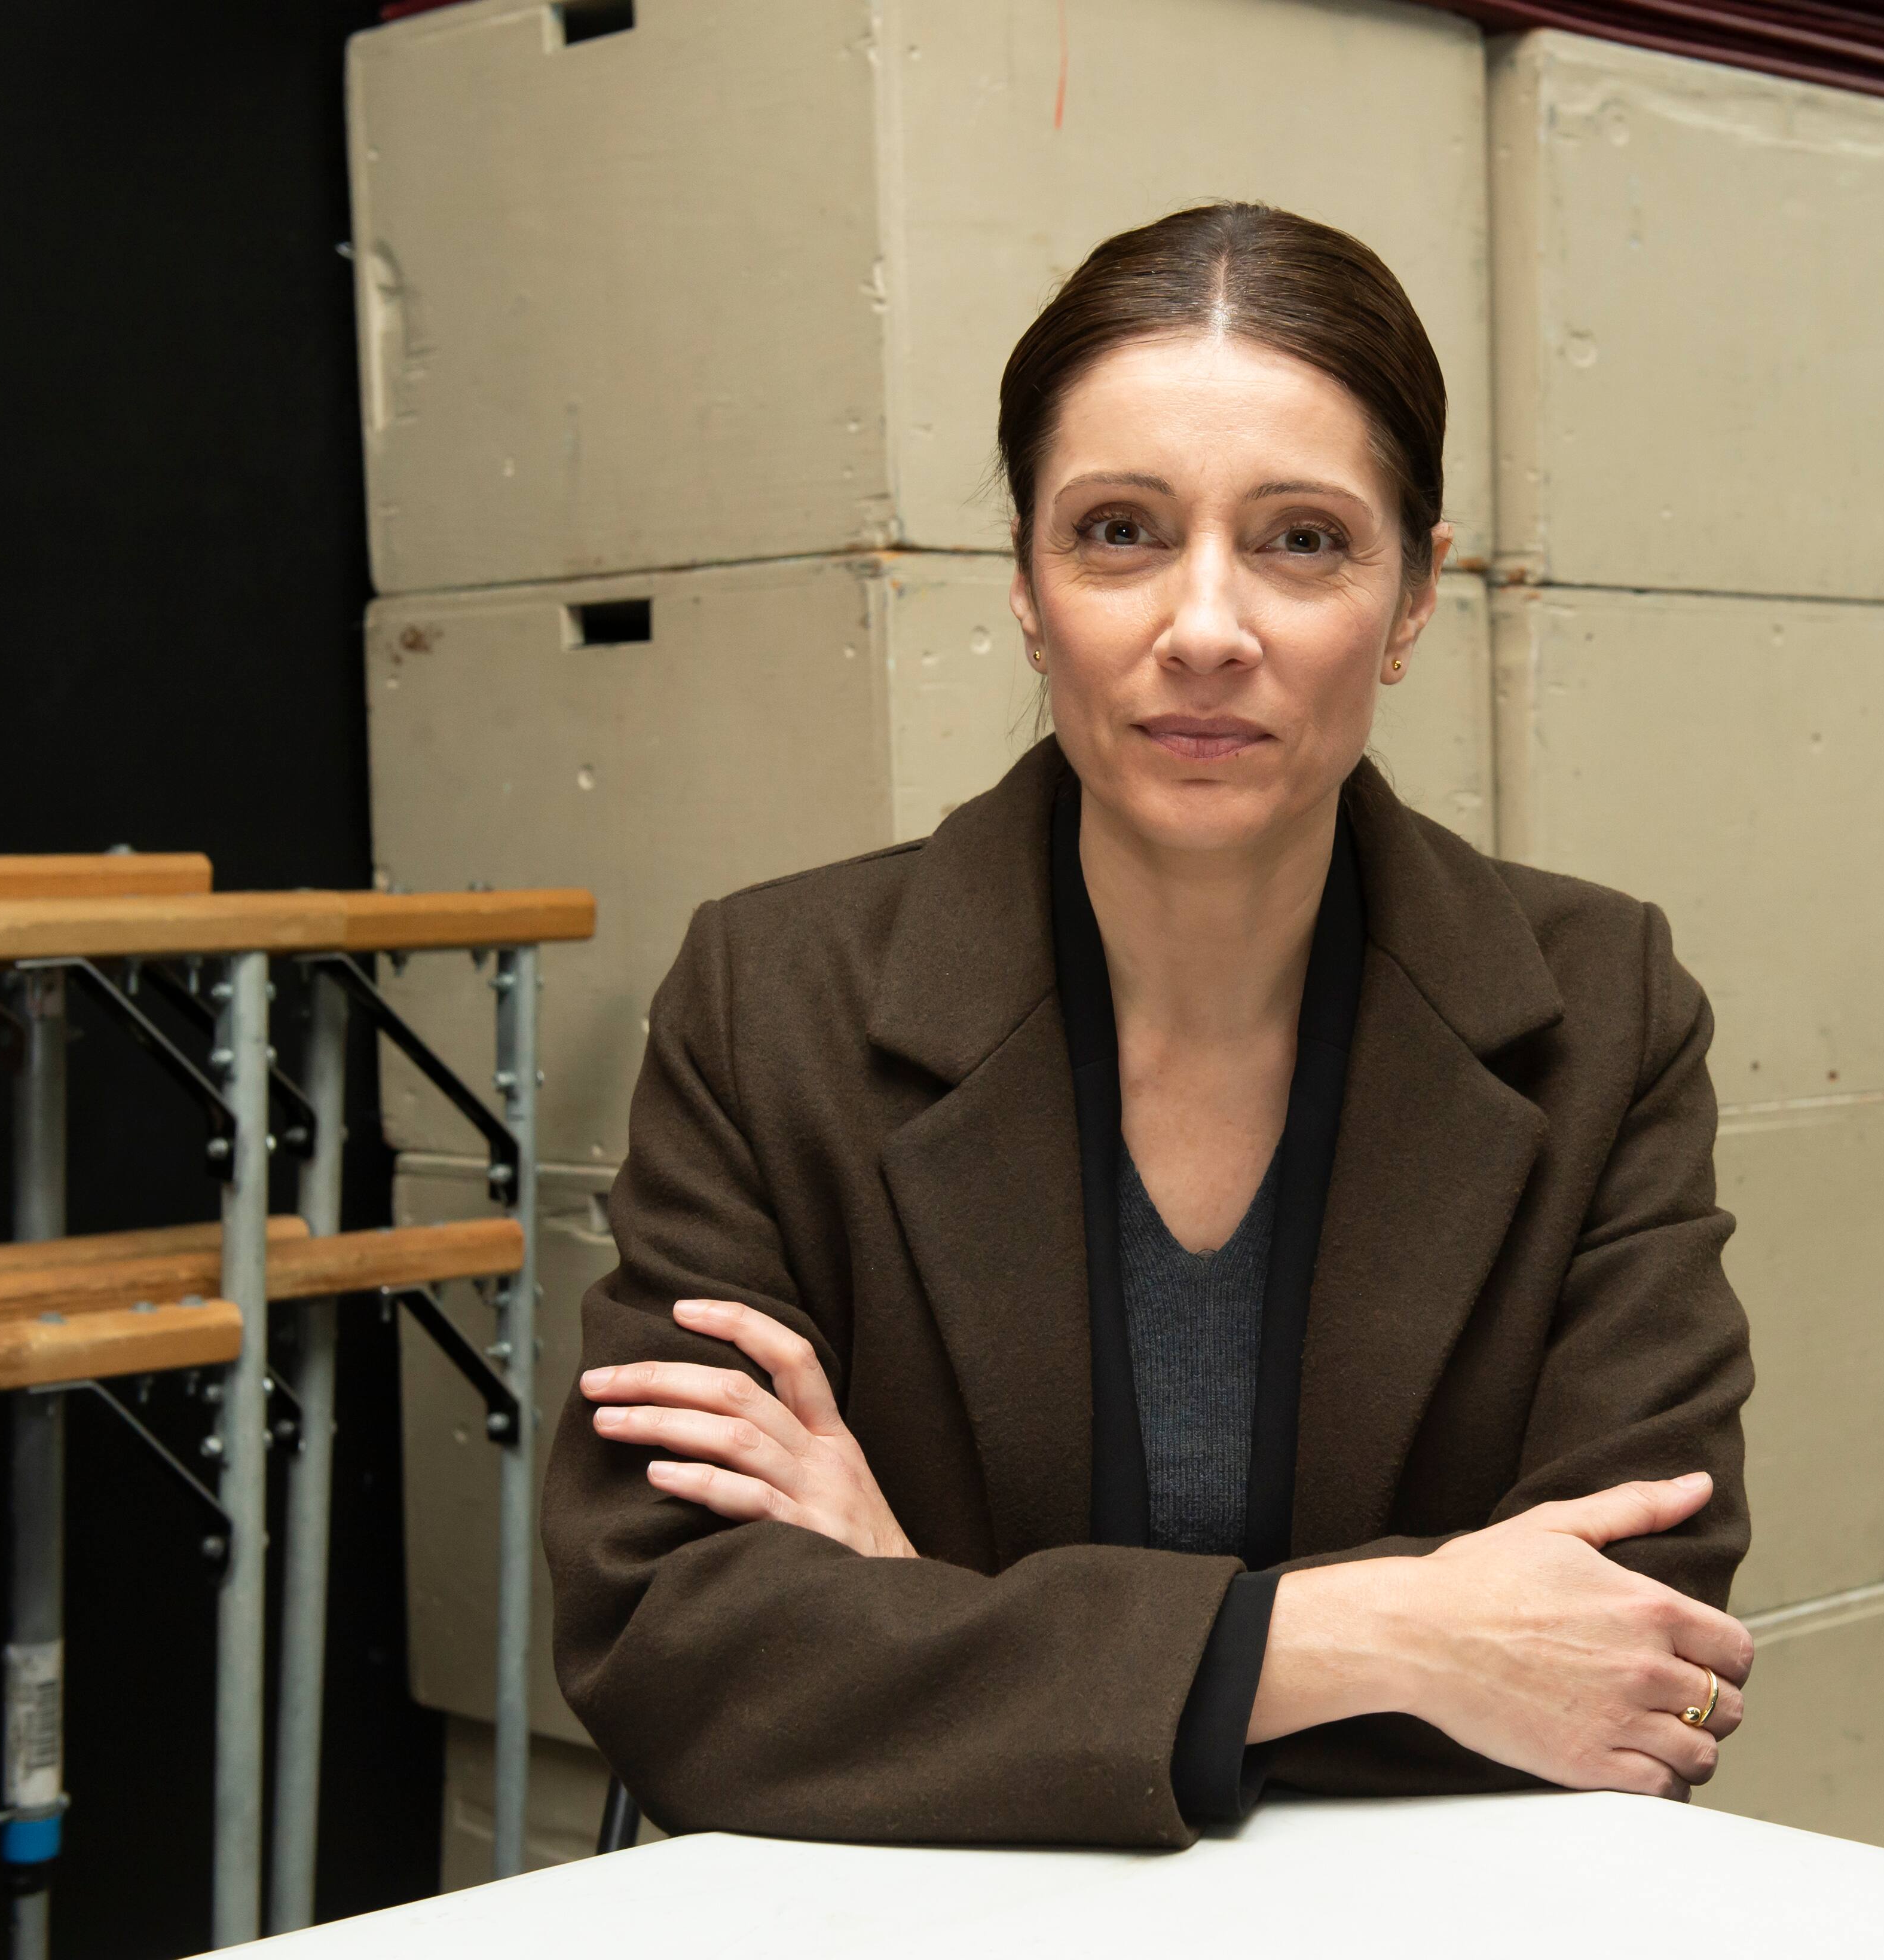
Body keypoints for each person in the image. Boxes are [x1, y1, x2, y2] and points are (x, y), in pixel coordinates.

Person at [545, 203, 1755, 1849]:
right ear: (1028, 586)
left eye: (1303, 541)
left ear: (1414, 597)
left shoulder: (1604, 1006)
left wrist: (926, 1615)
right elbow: (676, 1649)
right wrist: (1381, 1640)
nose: (1204, 628)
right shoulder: (776, 999)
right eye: (1119, 531)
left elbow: (1632, 1647)